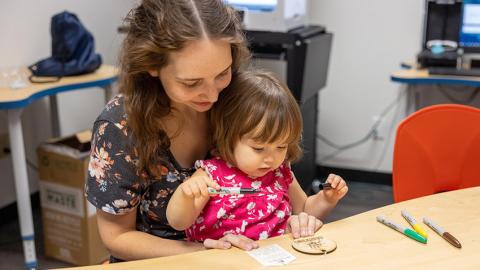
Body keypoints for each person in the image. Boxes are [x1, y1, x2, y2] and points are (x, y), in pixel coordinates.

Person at [85, 0, 324, 262]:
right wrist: (205, 252)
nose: (212, 96)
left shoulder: (236, 100)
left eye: (222, 74)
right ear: (152, 66)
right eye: (191, 82)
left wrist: (297, 220)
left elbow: (289, 193)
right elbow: (117, 238)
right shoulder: (120, 128)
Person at [166, 70, 348, 242]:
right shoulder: (211, 174)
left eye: (281, 146)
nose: (271, 158)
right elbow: (179, 222)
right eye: (258, 148)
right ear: (227, 137)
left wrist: (326, 199)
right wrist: (187, 194)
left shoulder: (280, 172)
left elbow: (304, 210)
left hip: (276, 258)